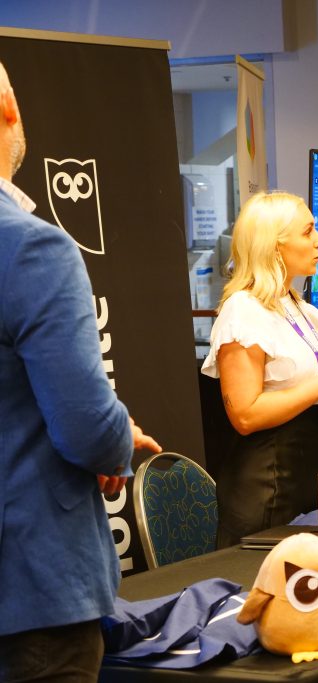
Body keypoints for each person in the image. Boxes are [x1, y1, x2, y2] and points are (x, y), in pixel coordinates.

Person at [0, 60, 161, 681]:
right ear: (9, 108)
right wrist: (118, 440)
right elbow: (85, 426)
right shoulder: (31, 247)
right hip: (32, 593)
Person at [202, 192, 318, 547]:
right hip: (270, 488)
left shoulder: (296, 306)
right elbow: (244, 415)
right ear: (274, 246)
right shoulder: (243, 311)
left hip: (308, 475)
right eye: (308, 232)